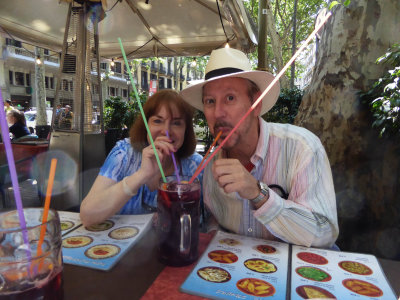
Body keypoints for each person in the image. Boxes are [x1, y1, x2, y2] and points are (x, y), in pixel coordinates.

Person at [180, 48, 339, 248]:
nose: (218, 113)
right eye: (210, 101)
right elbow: (216, 223)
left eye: (230, 98)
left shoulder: (301, 148)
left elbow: (324, 234)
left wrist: (258, 194)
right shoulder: (210, 169)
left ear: (256, 103)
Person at [80, 90, 203, 227]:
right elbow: (88, 216)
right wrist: (141, 175)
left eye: (176, 123)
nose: (166, 131)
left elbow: (206, 224)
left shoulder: (196, 166)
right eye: (157, 121)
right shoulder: (124, 154)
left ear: (186, 129)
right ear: (146, 126)